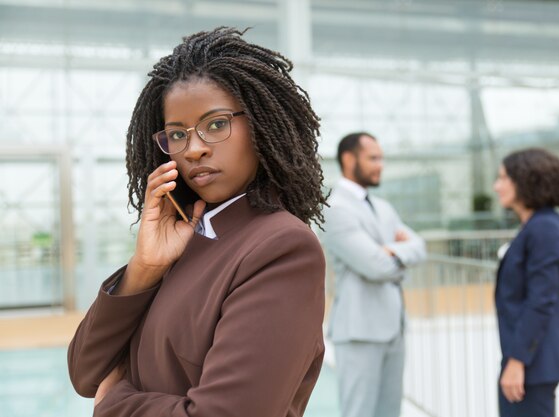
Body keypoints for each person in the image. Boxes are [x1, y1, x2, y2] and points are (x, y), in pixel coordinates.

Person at [67, 27, 328, 417]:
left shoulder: (281, 247)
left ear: (259, 124)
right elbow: (85, 373)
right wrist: (144, 269)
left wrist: (114, 405)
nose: (194, 148)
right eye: (177, 134)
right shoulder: (183, 238)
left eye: (217, 124)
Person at [321, 132, 427, 417]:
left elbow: (420, 247)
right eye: (373, 158)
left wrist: (389, 251)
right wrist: (398, 251)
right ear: (348, 158)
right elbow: (376, 266)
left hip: (395, 326)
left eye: (381, 158)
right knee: (360, 412)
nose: (380, 165)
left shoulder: (384, 207)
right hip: (359, 331)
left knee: (390, 411)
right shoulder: (334, 207)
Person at [493, 148, 559, 417]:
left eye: (503, 178)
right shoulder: (548, 222)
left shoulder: (543, 227)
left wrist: (516, 361)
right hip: (537, 351)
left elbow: (541, 299)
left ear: (526, 181)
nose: (496, 186)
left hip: (532, 357)